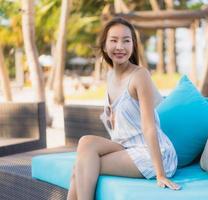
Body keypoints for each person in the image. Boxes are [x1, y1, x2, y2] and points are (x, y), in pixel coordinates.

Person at [67, 17, 180, 200]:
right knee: (85, 142)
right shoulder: (110, 75)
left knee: (82, 167)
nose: (120, 46)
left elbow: (149, 127)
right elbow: (117, 125)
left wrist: (160, 174)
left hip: (153, 152)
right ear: (104, 46)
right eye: (114, 40)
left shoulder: (140, 75)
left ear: (133, 45)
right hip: (127, 146)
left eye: (126, 40)